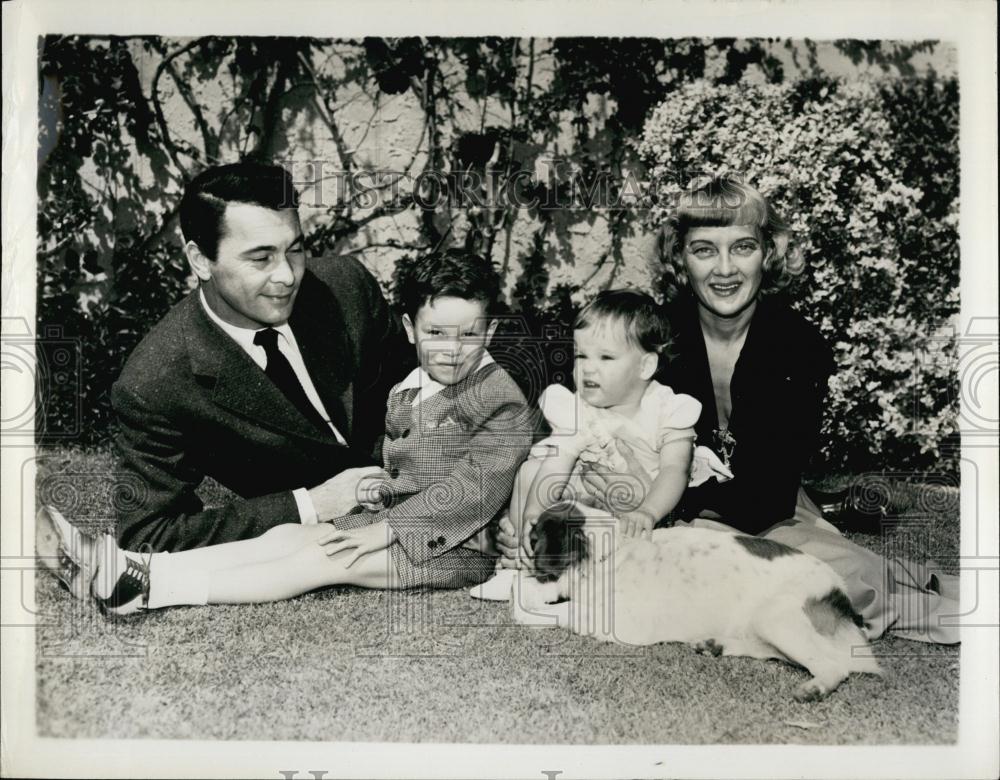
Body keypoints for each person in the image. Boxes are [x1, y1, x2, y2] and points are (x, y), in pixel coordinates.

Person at [536, 176, 958, 644]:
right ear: (680, 257)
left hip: (763, 507)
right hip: (661, 510)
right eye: (703, 250)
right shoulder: (659, 336)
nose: (724, 269)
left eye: (742, 248)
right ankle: (890, 577)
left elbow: (767, 494)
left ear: (768, 253)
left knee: (831, 586)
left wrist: (657, 495)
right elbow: (589, 398)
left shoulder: (799, 345)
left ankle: (922, 593)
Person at [50, 248, 534, 614]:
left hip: (464, 544)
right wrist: (378, 487)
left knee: (324, 561)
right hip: (399, 522)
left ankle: (153, 592)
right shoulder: (410, 385)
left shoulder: (498, 397)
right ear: (409, 329)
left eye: (468, 335)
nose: (451, 349)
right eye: (436, 334)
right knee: (286, 538)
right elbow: (409, 463)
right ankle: (135, 567)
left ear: (489, 333)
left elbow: (470, 486)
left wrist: (384, 530)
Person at [36, 162, 414, 599]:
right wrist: (311, 503)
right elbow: (150, 531)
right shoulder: (156, 380)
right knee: (295, 543)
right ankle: (129, 579)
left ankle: (136, 582)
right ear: (200, 260)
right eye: (260, 258)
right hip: (344, 528)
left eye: (295, 249)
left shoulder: (345, 287)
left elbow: (425, 384)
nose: (287, 276)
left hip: (444, 484)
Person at [472, 289, 732, 600]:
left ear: (646, 366)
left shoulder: (667, 409)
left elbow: (674, 469)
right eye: (581, 355)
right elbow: (558, 462)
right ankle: (517, 566)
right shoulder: (580, 409)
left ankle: (603, 573)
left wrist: (648, 511)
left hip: (644, 509)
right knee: (532, 469)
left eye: (606, 357)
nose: (588, 368)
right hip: (585, 503)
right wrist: (534, 513)